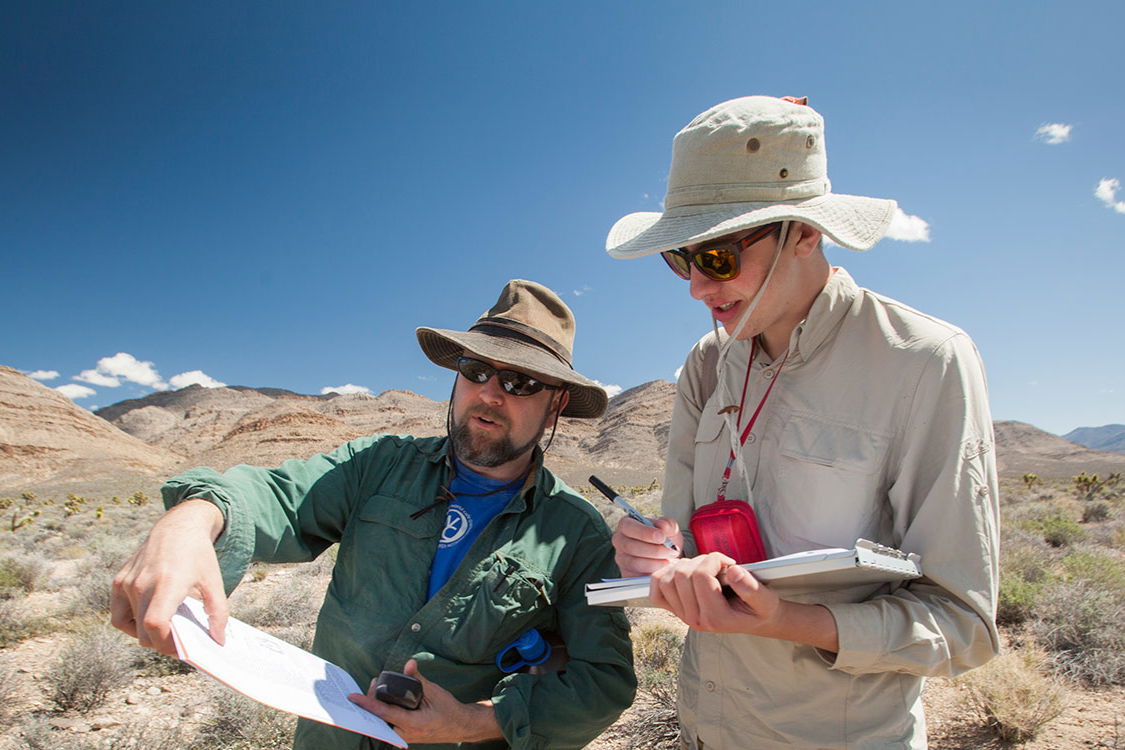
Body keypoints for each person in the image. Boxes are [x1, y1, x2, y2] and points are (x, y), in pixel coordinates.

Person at [606, 95, 999, 749]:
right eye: (681, 257)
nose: (696, 289)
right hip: (707, 728)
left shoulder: (922, 362)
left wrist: (786, 619)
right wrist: (653, 555)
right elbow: (676, 547)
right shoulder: (707, 364)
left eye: (718, 257)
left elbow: (963, 625)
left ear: (805, 232)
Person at [111, 279, 635, 750]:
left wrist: (475, 723)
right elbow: (275, 497)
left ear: (557, 402)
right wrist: (192, 520)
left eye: (521, 382)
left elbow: (603, 680)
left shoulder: (574, 532)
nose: (490, 393)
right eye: (476, 370)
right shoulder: (378, 465)